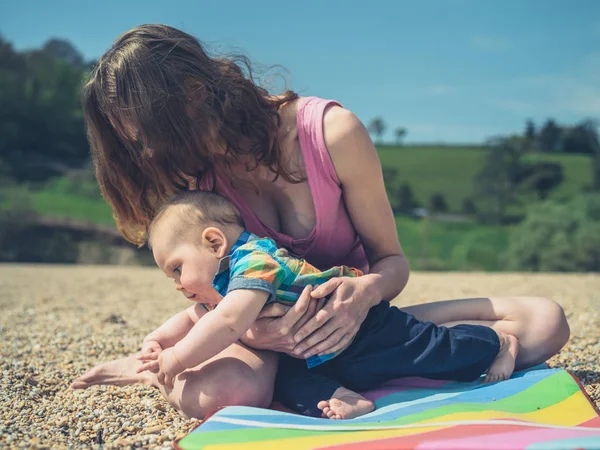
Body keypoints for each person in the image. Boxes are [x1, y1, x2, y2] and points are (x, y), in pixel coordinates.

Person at [70, 24, 570, 419]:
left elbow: (391, 261)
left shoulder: (330, 133)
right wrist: (251, 335)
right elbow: (212, 297)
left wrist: (362, 297)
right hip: (269, 339)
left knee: (546, 324)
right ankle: (165, 371)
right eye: (137, 144)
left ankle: (348, 375)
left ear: (196, 94)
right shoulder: (195, 180)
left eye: (150, 136)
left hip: (361, 323)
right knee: (223, 393)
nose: (150, 153)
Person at [136, 190, 518, 419]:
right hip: (317, 350)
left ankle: (497, 342)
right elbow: (196, 316)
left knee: (433, 353)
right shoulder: (223, 277)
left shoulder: (253, 262)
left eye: (176, 268)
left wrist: (179, 358)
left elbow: (229, 321)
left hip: (365, 328)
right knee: (291, 383)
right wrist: (159, 338)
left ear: (214, 242)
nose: (177, 284)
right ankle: (348, 400)